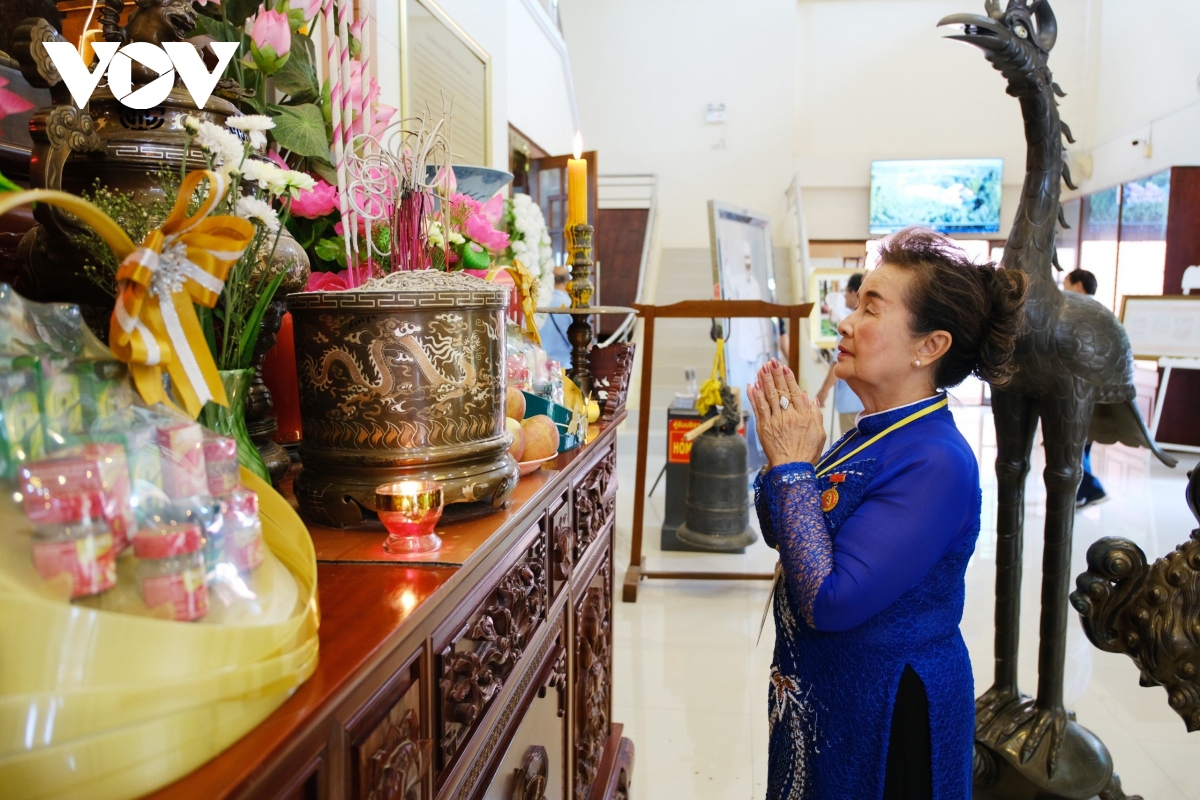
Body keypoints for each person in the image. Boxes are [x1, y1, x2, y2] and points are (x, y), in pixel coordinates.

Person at [746, 227, 1027, 798]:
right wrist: (785, 457)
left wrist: (796, 471)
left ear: (930, 346)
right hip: (831, 697)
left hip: (888, 715)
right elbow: (787, 533)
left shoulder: (937, 461)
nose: (847, 322)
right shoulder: (869, 435)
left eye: (870, 308)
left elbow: (830, 600)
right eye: (855, 304)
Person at [1062, 269, 1107, 508]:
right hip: (1092, 392)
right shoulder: (1098, 312)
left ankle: (1091, 488)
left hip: (1081, 392)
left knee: (1076, 444)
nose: (1064, 289)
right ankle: (1081, 492)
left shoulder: (1082, 314)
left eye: (1067, 284)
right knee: (1081, 445)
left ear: (1078, 285)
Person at [815, 273, 865, 436]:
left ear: (853, 293)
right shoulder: (868, 324)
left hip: (852, 402)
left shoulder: (848, 325)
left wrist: (824, 391)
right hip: (867, 401)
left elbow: (838, 362)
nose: (844, 295)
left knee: (853, 452)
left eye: (846, 291)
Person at [537, 265, 573, 368]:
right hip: (563, 367)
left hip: (540, 365)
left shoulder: (540, 302)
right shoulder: (570, 305)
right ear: (568, 281)